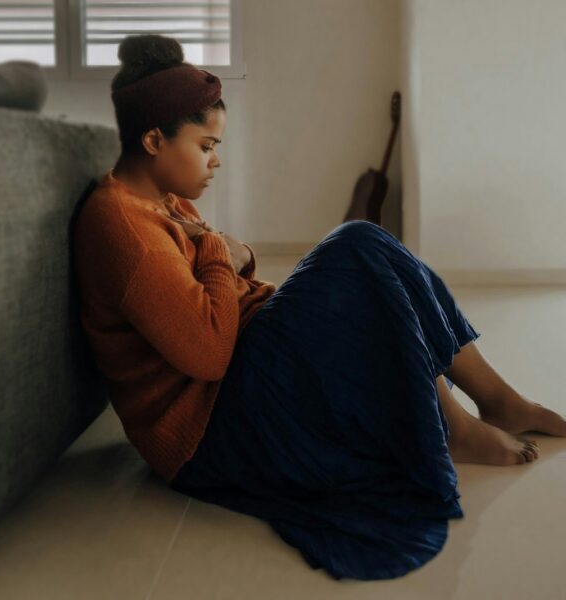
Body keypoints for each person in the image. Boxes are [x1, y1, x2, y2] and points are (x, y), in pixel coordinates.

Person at [72, 33, 566, 581]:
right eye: (206, 145)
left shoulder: (162, 198)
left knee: (365, 248)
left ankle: (497, 400)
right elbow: (208, 352)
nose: (216, 162)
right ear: (153, 140)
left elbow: (229, 275)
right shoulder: (123, 227)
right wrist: (219, 250)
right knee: (357, 247)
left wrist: (237, 257)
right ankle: (449, 429)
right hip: (209, 428)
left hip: (240, 368)